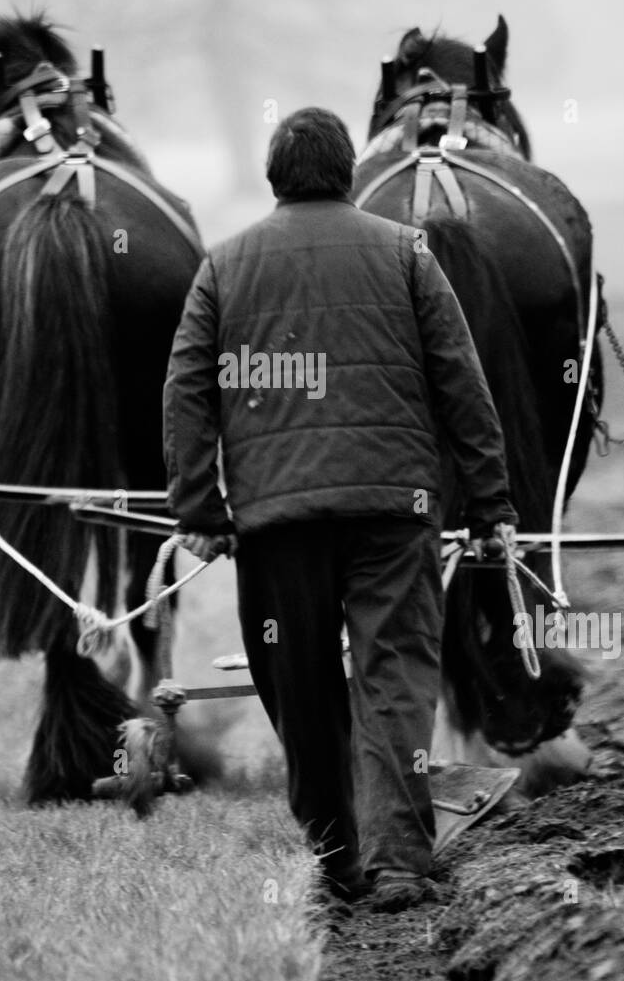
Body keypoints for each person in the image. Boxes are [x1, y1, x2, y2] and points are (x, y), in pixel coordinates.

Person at [163, 107, 517, 913]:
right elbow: (462, 381)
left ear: (272, 178)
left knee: (300, 678)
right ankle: (398, 860)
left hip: (276, 518)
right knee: (397, 674)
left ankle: (334, 855)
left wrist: (201, 508)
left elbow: (185, 390)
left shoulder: (224, 265)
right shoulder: (405, 253)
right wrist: (492, 501)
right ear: (350, 171)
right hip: (394, 508)